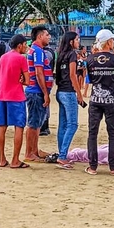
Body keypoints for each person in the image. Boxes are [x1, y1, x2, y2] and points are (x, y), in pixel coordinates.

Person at [85, 29, 114, 176]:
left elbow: (90, 79)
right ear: (108, 42)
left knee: (92, 133)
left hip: (95, 100)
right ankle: (113, 167)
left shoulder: (90, 59)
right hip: (111, 100)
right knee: (112, 133)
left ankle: (92, 166)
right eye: (112, 40)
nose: (113, 42)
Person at [0, 34, 30, 168]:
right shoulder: (21, 59)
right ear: (19, 45)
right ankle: (15, 159)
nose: (26, 47)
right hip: (16, 96)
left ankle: (2, 158)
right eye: (25, 44)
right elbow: (27, 81)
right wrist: (22, 79)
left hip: (1, 95)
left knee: (1, 127)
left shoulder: (3, 57)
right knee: (19, 127)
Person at [24, 26, 54, 162]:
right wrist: (45, 93)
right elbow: (38, 72)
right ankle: (29, 153)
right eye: (47, 35)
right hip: (36, 92)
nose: (49, 37)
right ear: (40, 36)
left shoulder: (37, 50)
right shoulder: (37, 51)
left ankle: (34, 150)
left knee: (37, 124)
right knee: (33, 123)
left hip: (37, 91)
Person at [55, 31, 84, 170]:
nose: (79, 42)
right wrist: (79, 94)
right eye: (77, 39)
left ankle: (62, 154)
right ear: (71, 41)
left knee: (63, 125)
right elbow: (73, 75)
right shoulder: (72, 54)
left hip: (60, 91)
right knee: (72, 124)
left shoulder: (61, 54)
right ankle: (62, 155)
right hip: (68, 92)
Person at [39, 43, 56, 136]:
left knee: (43, 103)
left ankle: (44, 126)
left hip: (44, 80)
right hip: (48, 80)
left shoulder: (45, 52)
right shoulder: (50, 51)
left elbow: (41, 66)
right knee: (45, 102)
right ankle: (45, 126)